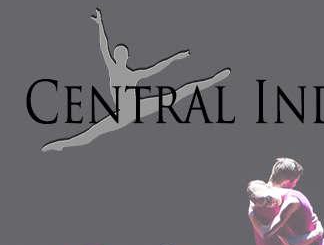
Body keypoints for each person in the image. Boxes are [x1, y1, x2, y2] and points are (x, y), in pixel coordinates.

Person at [42, 8, 230, 152]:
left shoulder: (134, 74)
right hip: (123, 114)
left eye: (123, 54)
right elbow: (103, 47)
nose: (119, 56)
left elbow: (156, 68)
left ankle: (213, 79)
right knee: (91, 133)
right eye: (118, 54)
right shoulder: (113, 68)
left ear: (128, 57)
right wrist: (100, 25)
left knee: (180, 92)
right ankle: (62, 144)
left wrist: (175, 58)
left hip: (139, 107)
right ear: (116, 57)